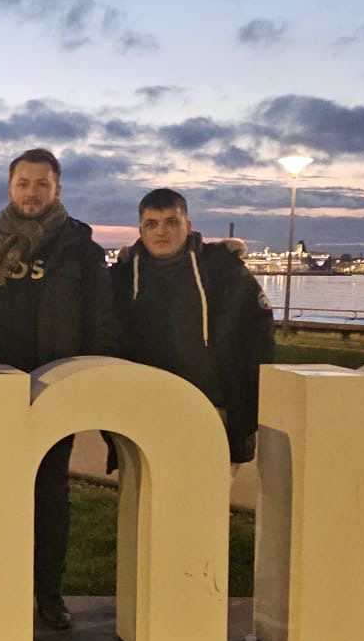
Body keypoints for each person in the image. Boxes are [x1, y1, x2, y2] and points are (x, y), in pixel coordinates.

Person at [0, 148, 118, 630]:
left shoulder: (79, 247)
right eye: (23, 183)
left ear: (57, 189)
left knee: (49, 494)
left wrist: (90, 379)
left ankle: (47, 593)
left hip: (53, 389)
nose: (32, 192)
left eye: (42, 183)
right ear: (10, 187)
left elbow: (99, 319)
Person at [109, 187, 274, 464]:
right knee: (142, 503)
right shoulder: (120, 279)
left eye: (171, 222)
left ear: (188, 225)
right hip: (141, 415)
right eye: (152, 224)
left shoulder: (225, 271)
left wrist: (245, 415)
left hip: (215, 413)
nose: (161, 231)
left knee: (205, 502)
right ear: (141, 230)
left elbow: (259, 343)